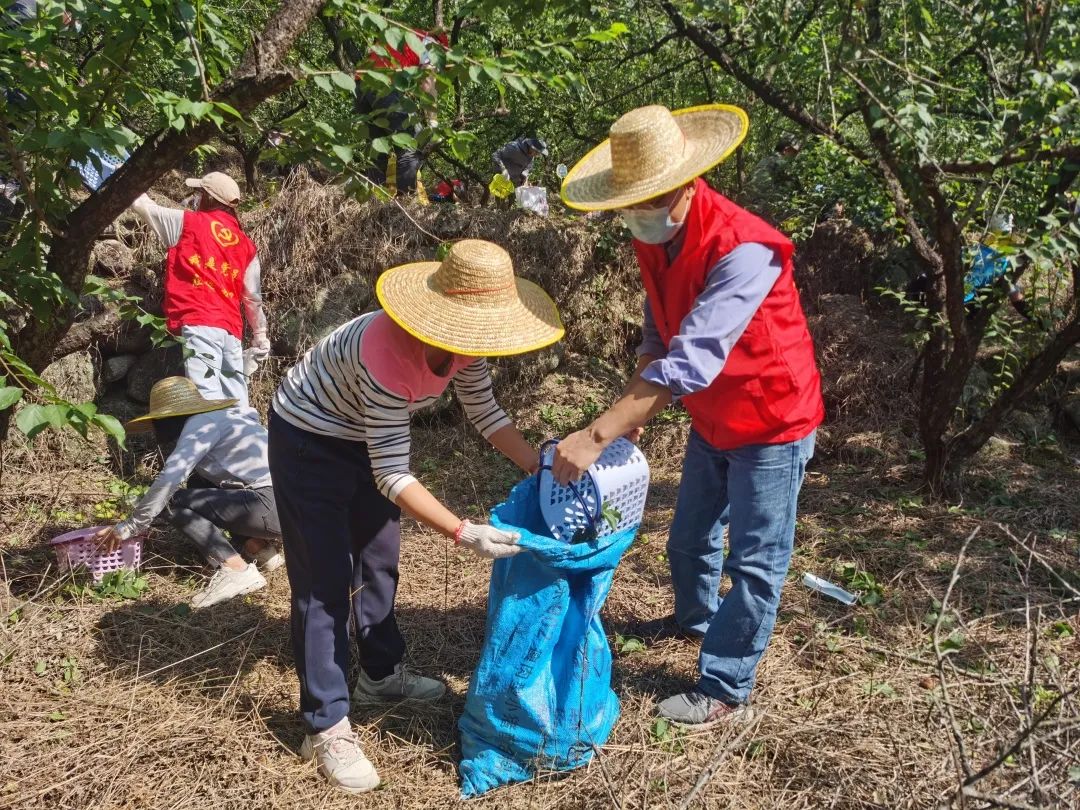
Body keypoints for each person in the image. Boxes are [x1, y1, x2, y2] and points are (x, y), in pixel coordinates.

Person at [557, 104, 823, 728]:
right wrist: (632, 407)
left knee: (756, 562)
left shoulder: (743, 247)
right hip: (713, 418)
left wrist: (601, 431)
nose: (636, 213)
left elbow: (693, 359)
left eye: (647, 199)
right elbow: (659, 329)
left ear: (684, 184)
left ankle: (726, 684)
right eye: (630, 202)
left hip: (770, 417)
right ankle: (694, 620)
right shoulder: (659, 234)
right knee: (689, 538)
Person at [267, 239, 563, 794]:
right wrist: (463, 530)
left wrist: (536, 467)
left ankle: (379, 673)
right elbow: (394, 476)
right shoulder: (383, 352)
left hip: (363, 438)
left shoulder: (466, 342)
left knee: (380, 559)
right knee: (323, 579)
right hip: (309, 437)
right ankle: (326, 722)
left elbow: (483, 408)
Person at [93, 377, 284, 608]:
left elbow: (169, 479)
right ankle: (261, 550)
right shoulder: (228, 417)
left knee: (171, 501)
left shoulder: (201, 425)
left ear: (170, 417)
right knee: (199, 480)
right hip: (290, 505)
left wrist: (130, 526)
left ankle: (236, 570)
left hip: (271, 506)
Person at [129, 171, 269, 407]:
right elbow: (252, 297)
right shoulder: (246, 245)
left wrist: (126, 182)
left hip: (199, 321)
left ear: (210, 198)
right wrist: (260, 334)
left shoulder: (187, 223)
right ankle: (248, 440)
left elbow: (145, 207)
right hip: (231, 329)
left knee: (206, 398)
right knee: (237, 398)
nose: (196, 198)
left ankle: (206, 442)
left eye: (200, 193)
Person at [354, 29, 444, 195]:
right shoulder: (432, 45)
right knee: (411, 145)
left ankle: (375, 205)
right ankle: (405, 208)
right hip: (383, 85)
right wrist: (433, 122)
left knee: (378, 151)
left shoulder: (406, 37)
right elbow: (427, 83)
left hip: (360, 87)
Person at [906, 211, 1029, 319]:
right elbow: (1014, 294)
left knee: (920, 281)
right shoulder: (1005, 262)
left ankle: (918, 316)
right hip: (967, 302)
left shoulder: (973, 249)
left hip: (949, 293)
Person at [742, 134, 801, 225]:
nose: (796, 156)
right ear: (786, 150)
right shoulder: (784, 164)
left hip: (747, 209)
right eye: (794, 153)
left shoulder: (764, 161)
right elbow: (798, 190)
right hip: (766, 212)